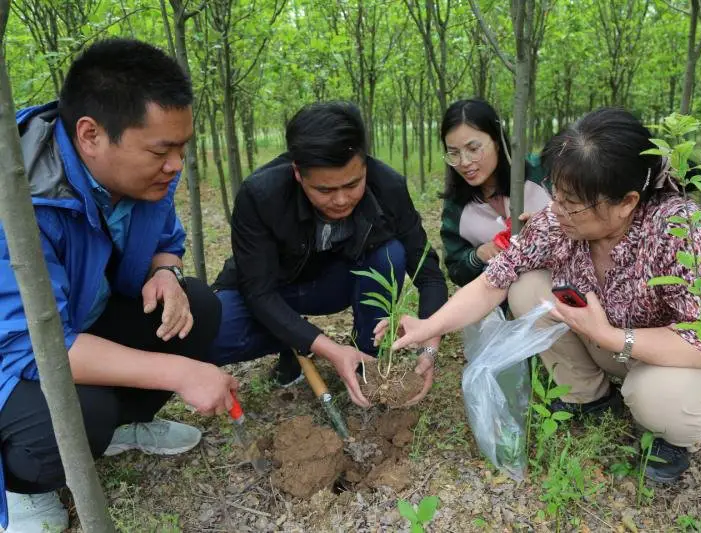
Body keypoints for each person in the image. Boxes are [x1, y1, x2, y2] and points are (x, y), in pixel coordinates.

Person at [377, 108, 701, 484]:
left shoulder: (679, 230)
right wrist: (429, 325)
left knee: (655, 396)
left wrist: (610, 337)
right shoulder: (557, 222)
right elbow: (494, 281)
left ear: (627, 202)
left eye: (573, 203)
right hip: (613, 342)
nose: (556, 210)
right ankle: (589, 397)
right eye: (556, 193)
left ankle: (674, 438)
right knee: (526, 286)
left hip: (689, 362)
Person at [0, 39, 238, 532]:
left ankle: (123, 428)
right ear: (90, 134)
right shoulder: (18, 204)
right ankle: (24, 487)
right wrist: (181, 374)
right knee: (82, 409)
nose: (176, 165)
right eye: (161, 150)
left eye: (182, 148)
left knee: (196, 306)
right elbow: (33, 346)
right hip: (13, 359)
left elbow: (166, 238)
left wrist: (166, 272)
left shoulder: (145, 175)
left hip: (84, 319)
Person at [210, 102, 448, 407]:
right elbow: (260, 292)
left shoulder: (388, 186)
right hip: (273, 287)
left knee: (390, 254)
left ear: (364, 164)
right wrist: (328, 348)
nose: (340, 200)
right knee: (215, 335)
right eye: (324, 190)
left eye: (353, 184)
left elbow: (427, 273)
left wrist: (429, 345)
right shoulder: (261, 195)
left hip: (331, 284)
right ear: (298, 173)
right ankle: (294, 343)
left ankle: (366, 358)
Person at [439, 99, 550, 287]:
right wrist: (478, 255)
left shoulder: (542, 173)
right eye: (454, 153)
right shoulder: (456, 206)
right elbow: (456, 269)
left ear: (497, 142)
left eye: (473, 149)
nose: (464, 162)